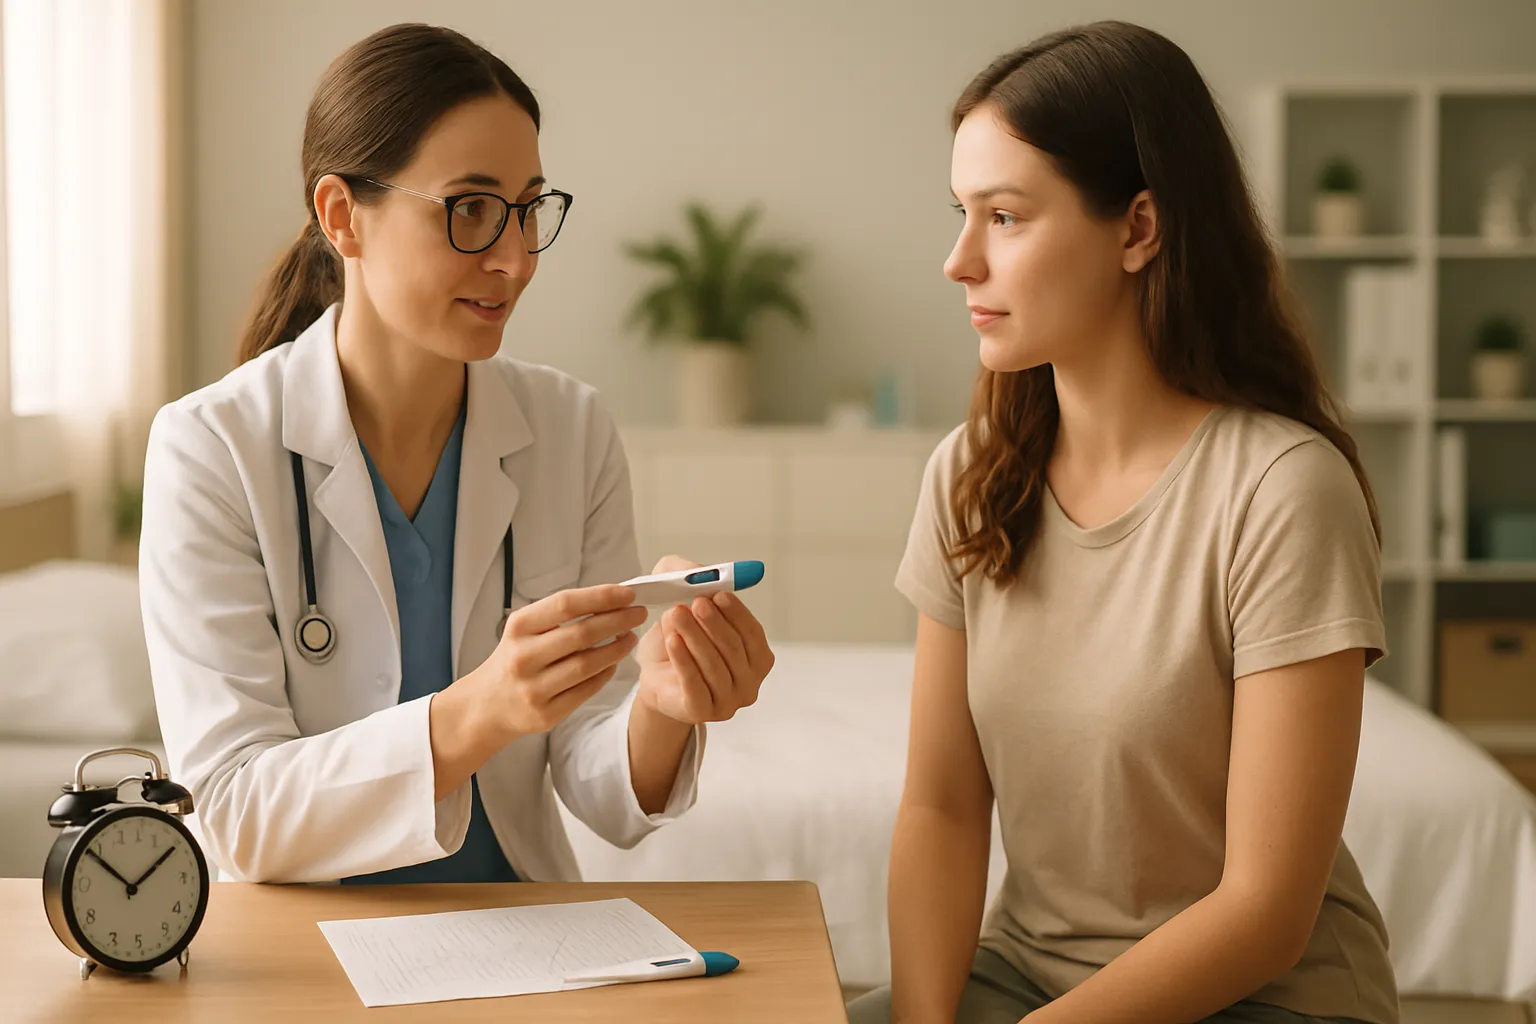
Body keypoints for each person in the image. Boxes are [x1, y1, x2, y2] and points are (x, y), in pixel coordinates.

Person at [849, 21, 1397, 1024]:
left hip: (1263, 995)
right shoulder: (968, 476)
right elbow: (941, 805)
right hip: (1026, 975)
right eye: (962, 214)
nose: (959, 261)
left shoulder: (1282, 491)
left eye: (1005, 216)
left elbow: (1265, 910)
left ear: (1139, 228)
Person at [139, 23, 774, 885]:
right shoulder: (212, 449)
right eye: (469, 209)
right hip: (302, 951)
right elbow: (235, 812)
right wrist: (480, 709)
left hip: (517, 935)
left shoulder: (571, 427)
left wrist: (661, 705)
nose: (513, 259)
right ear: (342, 218)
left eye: (527, 209)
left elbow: (594, 771)